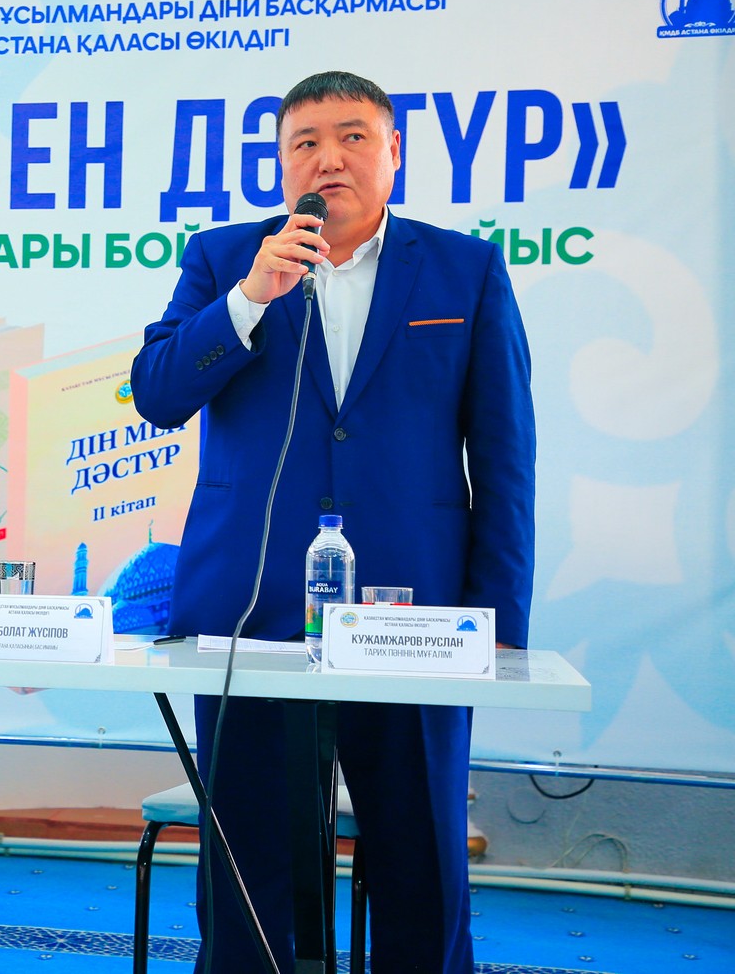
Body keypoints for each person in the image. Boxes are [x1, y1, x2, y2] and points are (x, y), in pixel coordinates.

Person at [131, 71, 535, 973]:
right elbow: (156, 393)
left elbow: (505, 452)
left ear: (394, 153)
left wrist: (499, 616)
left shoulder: (464, 268)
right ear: (282, 164)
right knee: (247, 875)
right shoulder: (225, 258)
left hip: (417, 618)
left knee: (421, 858)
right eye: (305, 142)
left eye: (354, 137)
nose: (329, 158)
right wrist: (249, 299)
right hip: (249, 613)